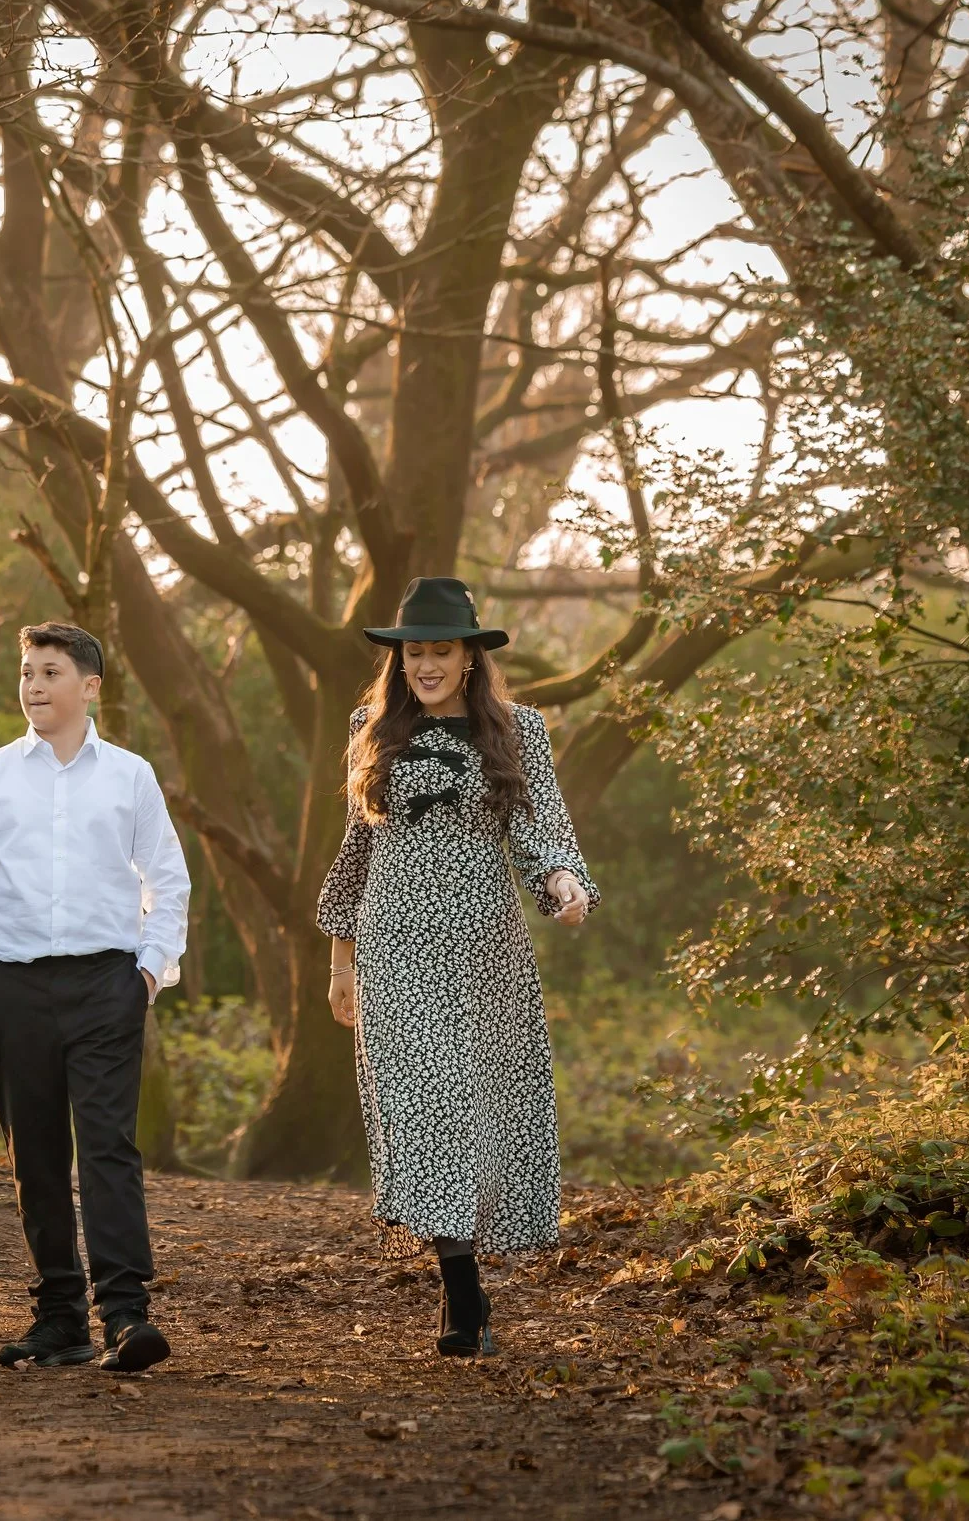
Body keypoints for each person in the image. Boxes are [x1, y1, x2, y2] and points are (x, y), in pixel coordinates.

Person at [315, 576, 597, 1359]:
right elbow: (356, 848)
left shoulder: (519, 729)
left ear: (471, 657)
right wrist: (341, 963)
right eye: (415, 652)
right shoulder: (369, 726)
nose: (427, 664)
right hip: (393, 943)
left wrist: (564, 884)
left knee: (474, 1107)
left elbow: (545, 833)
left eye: (441, 650)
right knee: (429, 1100)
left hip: (483, 950)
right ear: (399, 659)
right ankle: (461, 1288)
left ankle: (463, 1274)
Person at [0, 622, 191, 1373]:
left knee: (108, 1146)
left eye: (50, 671)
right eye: (26, 672)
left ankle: (125, 1313)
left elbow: (167, 880)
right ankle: (60, 1315)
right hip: (11, 986)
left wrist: (147, 971)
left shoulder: (131, 776)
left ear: (90, 686)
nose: (34, 685)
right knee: (35, 1155)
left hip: (104, 984)